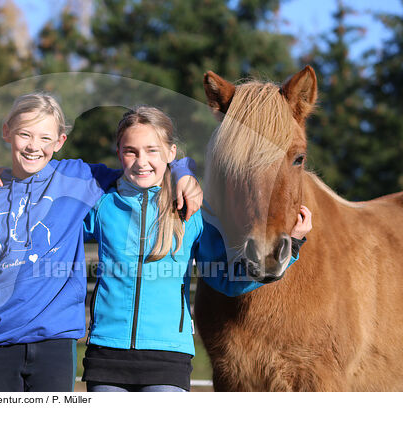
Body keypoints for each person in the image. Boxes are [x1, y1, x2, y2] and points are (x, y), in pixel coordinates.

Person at [0, 92, 201, 392]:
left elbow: (142, 169)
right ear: (6, 132)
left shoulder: (79, 180)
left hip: (55, 343)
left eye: (45, 137)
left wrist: (183, 171)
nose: (34, 146)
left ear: (60, 142)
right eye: (25, 135)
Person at [81, 106, 313, 392]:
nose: (142, 161)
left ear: (171, 153)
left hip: (168, 357)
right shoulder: (101, 207)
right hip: (106, 354)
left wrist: (293, 246)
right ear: (119, 154)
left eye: (152, 150)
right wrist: (11, 180)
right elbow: (53, 227)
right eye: (131, 151)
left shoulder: (193, 213)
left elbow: (228, 279)